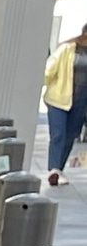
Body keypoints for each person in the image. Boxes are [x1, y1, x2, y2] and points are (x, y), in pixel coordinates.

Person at [44, 23, 87, 185]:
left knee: (70, 136)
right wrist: (48, 85)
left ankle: (58, 170)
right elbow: (49, 70)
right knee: (58, 134)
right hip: (58, 99)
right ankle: (53, 168)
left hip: (80, 102)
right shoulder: (67, 49)